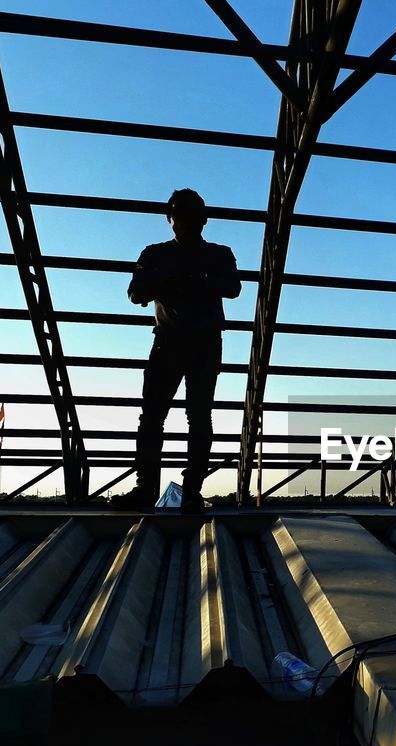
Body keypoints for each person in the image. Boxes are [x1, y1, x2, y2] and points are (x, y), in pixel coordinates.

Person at [110, 189, 240, 513]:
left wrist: (168, 283)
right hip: (203, 343)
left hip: (170, 341)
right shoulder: (219, 255)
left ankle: (147, 489)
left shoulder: (155, 256)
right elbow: (232, 287)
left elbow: (136, 293)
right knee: (196, 418)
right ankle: (191, 491)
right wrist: (198, 282)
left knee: (154, 417)